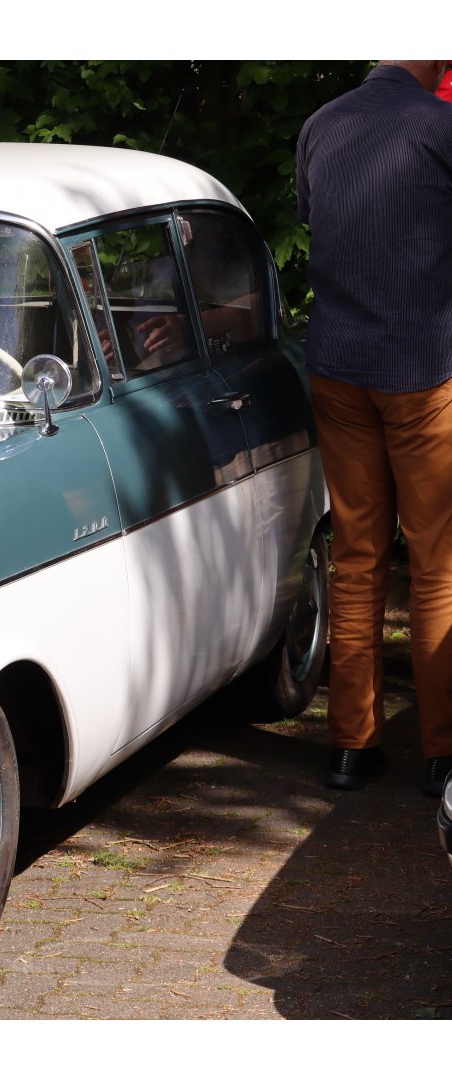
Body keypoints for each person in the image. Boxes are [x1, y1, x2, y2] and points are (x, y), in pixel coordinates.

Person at [295, 61, 452, 795]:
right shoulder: (441, 128)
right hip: (423, 368)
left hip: (337, 364)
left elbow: (322, 224)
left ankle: (351, 747)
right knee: (436, 562)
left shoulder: (322, 125)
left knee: (357, 556)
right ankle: (442, 752)